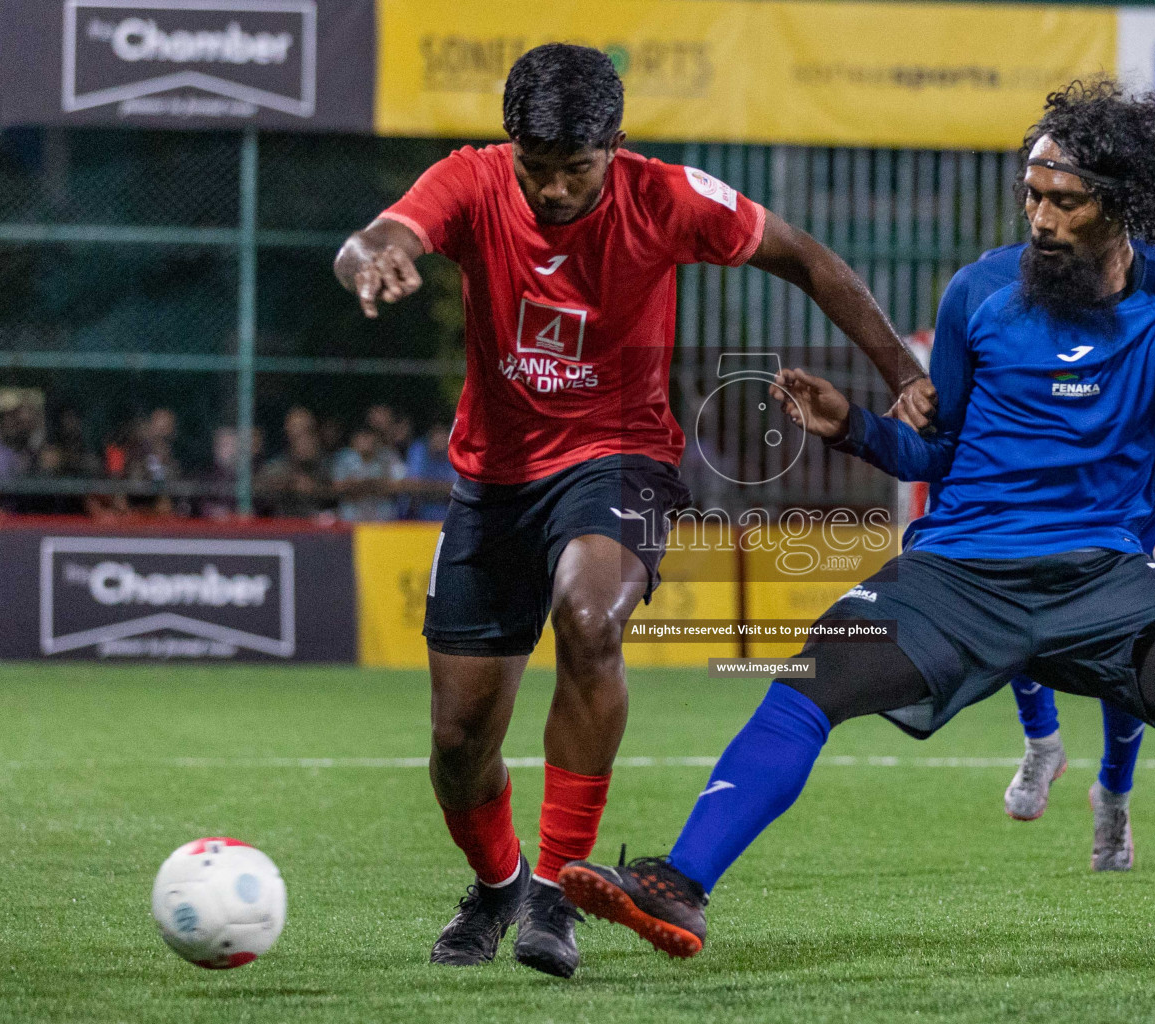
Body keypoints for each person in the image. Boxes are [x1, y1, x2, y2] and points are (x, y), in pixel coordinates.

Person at [558, 79, 1155, 987]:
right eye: (1032, 195)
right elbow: (938, 452)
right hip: (956, 578)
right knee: (806, 680)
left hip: (1105, 587)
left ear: (1124, 205)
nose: (1040, 217)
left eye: (1065, 201)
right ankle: (677, 881)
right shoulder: (978, 294)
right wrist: (859, 428)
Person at [333, 43, 935, 977]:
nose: (557, 190)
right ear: (511, 147)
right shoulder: (472, 180)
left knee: (589, 613)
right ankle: (497, 887)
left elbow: (806, 259)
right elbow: (381, 236)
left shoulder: (670, 197)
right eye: (539, 170)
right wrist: (372, 258)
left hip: (622, 458)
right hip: (493, 479)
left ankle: (553, 892)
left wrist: (903, 373)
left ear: (616, 144)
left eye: (577, 169)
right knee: (457, 744)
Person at [1002, 381, 1155, 873]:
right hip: (1053, 484)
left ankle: (1114, 795)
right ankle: (1043, 742)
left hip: (1127, 506)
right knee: (1015, 604)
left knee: (1126, 653)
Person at [330, 426, 403, 521]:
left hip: (382, 519)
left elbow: (400, 485)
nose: (365, 441)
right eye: (361, 437)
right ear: (353, 440)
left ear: (376, 439)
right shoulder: (344, 458)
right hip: (351, 519)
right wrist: (374, 485)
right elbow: (338, 487)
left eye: (368, 436)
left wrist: (360, 485)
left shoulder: (388, 456)